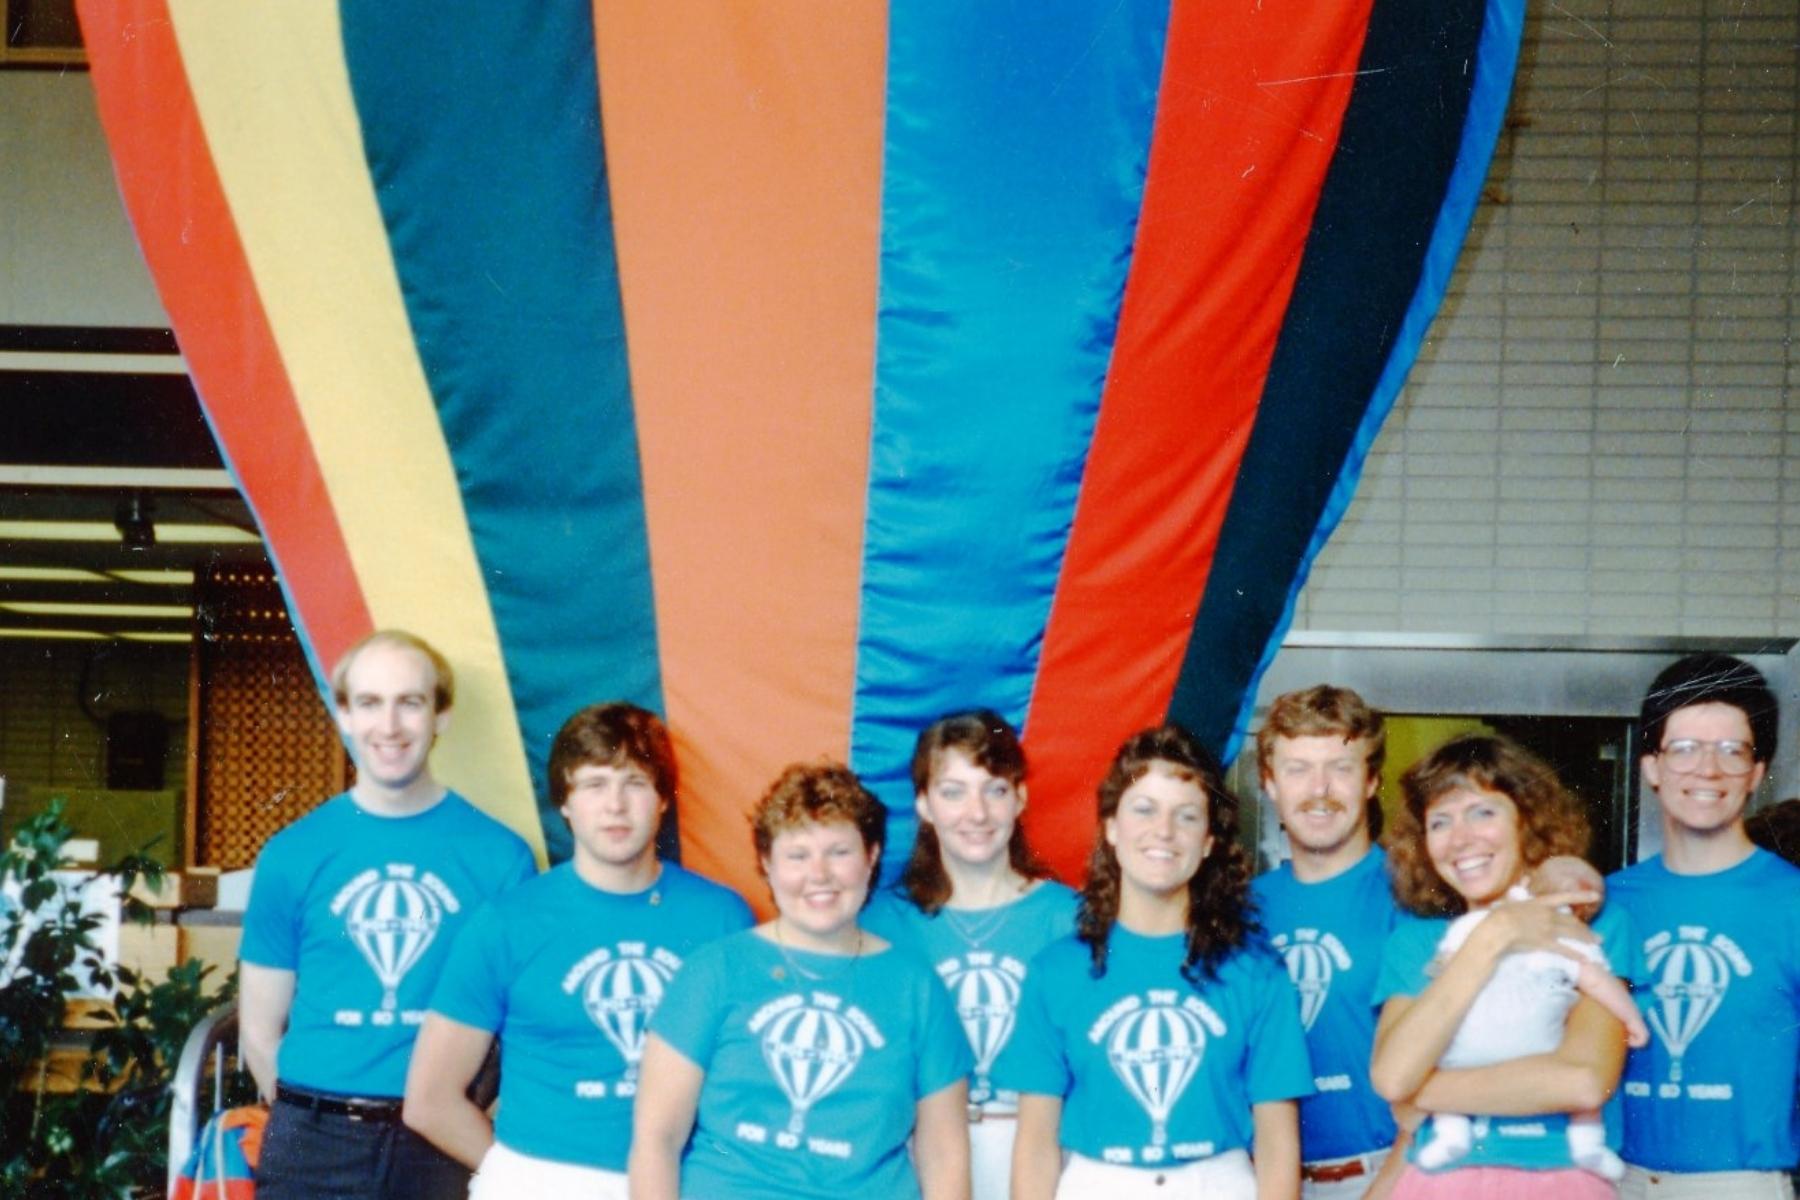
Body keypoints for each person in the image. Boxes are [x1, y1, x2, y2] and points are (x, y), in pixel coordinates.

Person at [401, 703, 753, 1198]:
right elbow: (429, 1100)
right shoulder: (505, 922)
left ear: (663, 799)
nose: (615, 805)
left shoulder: (721, 918)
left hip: (682, 1181)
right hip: (540, 1177)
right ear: (564, 802)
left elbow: (746, 1079)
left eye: (634, 782)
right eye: (594, 784)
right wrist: (518, 1178)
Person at [239, 630, 538, 1200]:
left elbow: (520, 1024)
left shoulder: (501, 857)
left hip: (441, 1142)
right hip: (312, 1141)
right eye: (370, 703)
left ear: (441, 717)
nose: (391, 725)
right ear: (344, 715)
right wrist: (319, 1118)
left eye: (411, 702)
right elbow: (259, 1031)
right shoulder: (292, 854)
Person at [628, 760, 973, 1200]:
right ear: (767, 864)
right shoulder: (713, 971)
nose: (819, 874)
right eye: (797, 855)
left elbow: (945, 1154)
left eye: (839, 852)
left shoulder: (917, 988)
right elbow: (657, 1139)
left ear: (871, 858)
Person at [1002, 724, 1312, 1200]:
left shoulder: (1256, 971)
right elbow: (1036, 1142)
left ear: (1208, 840)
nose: (1163, 831)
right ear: (1111, 827)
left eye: (1186, 816)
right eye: (1144, 809)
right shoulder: (1055, 972)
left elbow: (1276, 1139)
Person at [1370, 733, 1633, 1199]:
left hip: (1561, 1181)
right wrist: (1493, 936)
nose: (1461, 839)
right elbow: (1391, 1076)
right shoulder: (1415, 940)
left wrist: (1421, 1091)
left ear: (1526, 820)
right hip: (1438, 1184)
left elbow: (1583, 1081)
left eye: (1483, 812)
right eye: (1440, 822)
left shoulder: (1589, 918)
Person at [861, 710, 1079, 1200]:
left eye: (995, 789)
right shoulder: (880, 922)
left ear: (1020, 798)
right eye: (953, 791)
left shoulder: (1070, 918)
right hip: (920, 1153)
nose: (976, 814)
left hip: (1043, 1150)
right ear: (923, 803)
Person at [1608, 653, 1800, 1199]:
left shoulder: (1791, 902)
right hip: (1615, 1178)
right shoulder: (1609, 900)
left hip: (1737, 1183)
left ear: (1757, 772)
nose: (1708, 771)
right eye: (1685, 749)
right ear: (1651, 765)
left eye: (1731, 751)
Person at [1250, 685, 1406, 1199]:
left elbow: (1450, 1075)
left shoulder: (1416, 897)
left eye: (1340, 768)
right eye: (1297, 769)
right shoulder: (1237, 910)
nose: (1320, 789)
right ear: (1269, 783)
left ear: (1371, 780)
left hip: (1382, 1174)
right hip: (1258, 1177)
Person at [1412, 855, 1649, 1179]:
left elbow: (1448, 959)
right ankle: (1588, 1145)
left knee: (1443, 1062)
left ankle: (1450, 1135)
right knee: (1581, 1097)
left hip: (1472, 1042)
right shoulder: (1575, 939)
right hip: (1541, 1047)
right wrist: (1632, 1019)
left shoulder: (1489, 921)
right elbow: (1597, 981)